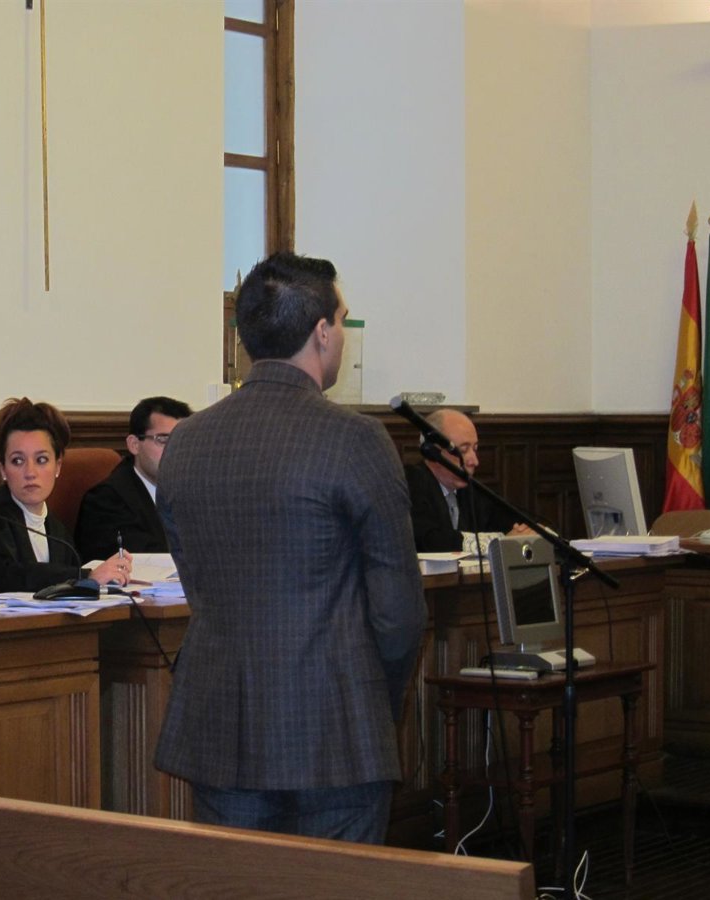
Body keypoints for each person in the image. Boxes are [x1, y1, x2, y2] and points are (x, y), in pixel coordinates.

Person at [153, 252, 427, 845]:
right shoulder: (355, 438)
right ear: (322, 332)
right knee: (336, 885)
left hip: (221, 727)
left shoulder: (187, 442)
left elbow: (197, 581)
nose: (344, 336)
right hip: (336, 731)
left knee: (235, 884)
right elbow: (399, 613)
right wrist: (376, 701)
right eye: (343, 321)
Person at [0, 397, 129, 598]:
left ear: (58, 466)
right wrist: (84, 576)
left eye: (41, 460)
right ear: (3, 469)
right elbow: (4, 578)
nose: (30, 472)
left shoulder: (58, 532)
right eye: (17, 461)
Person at [74, 396, 193, 563]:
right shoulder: (106, 502)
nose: (176, 451)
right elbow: (146, 562)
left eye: (183, 441)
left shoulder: (196, 493)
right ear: (134, 444)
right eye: (164, 440)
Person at [405, 407, 534, 553]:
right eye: (463, 450)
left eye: (475, 449)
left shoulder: (472, 491)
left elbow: (512, 522)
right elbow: (429, 540)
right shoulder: (411, 482)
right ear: (433, 452)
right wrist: (501, 542)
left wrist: (530, 532)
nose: (474, 461)